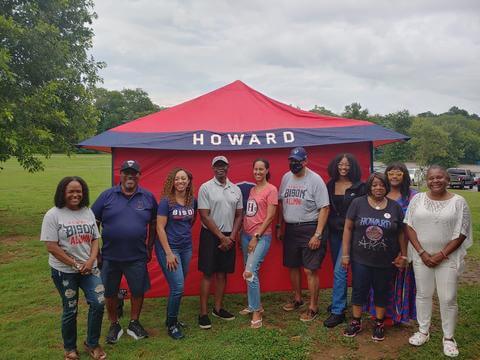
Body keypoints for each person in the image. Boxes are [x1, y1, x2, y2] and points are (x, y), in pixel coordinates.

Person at [405, 165, 472, 358]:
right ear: (427, 180)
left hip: (447, 257)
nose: (435, 181)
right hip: (421, 257)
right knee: (423, 294)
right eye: (432, 178)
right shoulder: (417, 199)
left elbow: (461, 232)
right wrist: (422, 252)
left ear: (447, 179)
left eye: (440, 177)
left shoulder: (459, 202)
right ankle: (423, 331)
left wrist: (441, 255)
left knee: (448, 297)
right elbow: (408, 225)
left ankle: (448, 338)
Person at [91, 160, 157, 344]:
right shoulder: (107, 196)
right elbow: (93, 221)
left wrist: (149, 247)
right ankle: (114, 323)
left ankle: (134, 322)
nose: (130, 176)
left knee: (138, 290)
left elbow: (153, 223)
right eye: (126, 173)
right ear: (120, 175)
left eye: (134, 173)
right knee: (110, 291)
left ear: (139, 175)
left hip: (136, 255)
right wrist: (95, 252)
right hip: (110, 256)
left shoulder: (148, 197)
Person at [41, 176, 106, 360]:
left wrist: (91, 260)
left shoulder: (87, 212)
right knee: (70, 308)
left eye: (79, 191)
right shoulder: (53, 214)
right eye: (71, 191)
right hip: (65, 271)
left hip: (89, 269)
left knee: (98, 302)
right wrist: (76, 264)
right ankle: (70, 348)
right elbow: (51, 246)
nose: (75, 194)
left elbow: (95, 238)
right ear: (63, 193)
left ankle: (92, 343)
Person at [341, 172, 407, 341]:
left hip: (386, 260)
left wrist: (403, 254)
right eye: (374, 185)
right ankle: (356, 321)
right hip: (360, 258)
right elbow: (348, 229)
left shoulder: (395, 207)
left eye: (382, 185)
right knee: (359, 289)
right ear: (369, 187)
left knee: (381, 291)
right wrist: (345, 254)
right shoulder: (358, 203)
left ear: (386, 187)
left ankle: (379, 323)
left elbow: (401, 232)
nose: (378, 188)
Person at [277, 146, 330, 322]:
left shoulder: (315, 180)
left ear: (305, 161)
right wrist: (279, 226)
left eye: (297, 161)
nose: (294, 164)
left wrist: (318, 234)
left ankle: (313, 307)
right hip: (291, 228)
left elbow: (325, 207)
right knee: (293, 266)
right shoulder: (286, 177)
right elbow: (281, 203)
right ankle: (298, 298)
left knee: (310, 269)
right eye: (291, 160)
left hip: (310, 227)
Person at [365, 162, 418, 324]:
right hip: (380, 246)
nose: (394, 177)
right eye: (391, 173)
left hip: (405, 244)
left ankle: (395, 314)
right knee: (378, 280)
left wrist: (404, 251)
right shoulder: (380, 194)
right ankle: (377, 312)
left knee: (398, 280)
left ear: (405, 176)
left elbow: (414, 223)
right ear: (386, 176)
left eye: (399, 173)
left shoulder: (413, 196)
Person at [197, 155, 243, 329]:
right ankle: (203, 313)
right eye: (217, 166)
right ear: (212, 168)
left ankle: (218, 308)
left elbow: (239, 215)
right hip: (211, 235)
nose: (220, 168)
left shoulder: (236, 189)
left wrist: (231, 236)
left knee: (223, 273)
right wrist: (221, 237)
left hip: (229, 235)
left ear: (228, 167)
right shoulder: (205, 188)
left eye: (223, 165)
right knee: (208, 273)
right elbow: (204, 215)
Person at [323, 154, 366, 328]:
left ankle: (338, 311)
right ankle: (340, 301)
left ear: (352, 167)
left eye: (347, 165)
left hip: (353, 234)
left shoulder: (361, 186)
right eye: (341, 164)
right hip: (334, 233)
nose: (344, 167)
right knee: (338, 269)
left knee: (341, 271)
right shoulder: (330, 185)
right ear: (336, 165)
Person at [155, 168, 197, 339]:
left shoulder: (191, 201)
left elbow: (190, 222)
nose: (180, 182)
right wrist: (168, 253)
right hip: (169, 249)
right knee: (178, 287)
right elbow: (159, 227)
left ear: (188, 182)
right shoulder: (166, 201)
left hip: (186, 248)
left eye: (183, 179)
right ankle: (172, 325)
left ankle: (171, 319)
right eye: (177, 179)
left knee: (177, 287)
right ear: (173, 182)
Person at [240, 159, 278, 328]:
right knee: (248, 271)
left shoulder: (271, 189)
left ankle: (257, 311)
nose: (258, 172)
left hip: (260, 237)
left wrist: (256, 236)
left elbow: (270, 217)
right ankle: (253, 304)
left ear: (267, 170)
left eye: (261, 169)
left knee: (250, 272)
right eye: (255, 169)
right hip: (246, 235)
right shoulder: (253, 189)